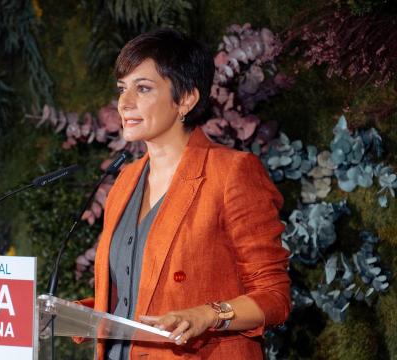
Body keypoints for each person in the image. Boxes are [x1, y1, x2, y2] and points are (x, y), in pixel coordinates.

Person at [76, 28, 291, 359]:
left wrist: (208, 315)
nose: (124, 103)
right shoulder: (124, 181)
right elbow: (135, 298)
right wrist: (76, 313)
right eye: (122, 89)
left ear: (187, 99)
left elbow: (274, 296)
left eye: (143, 88)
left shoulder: (231, 172)